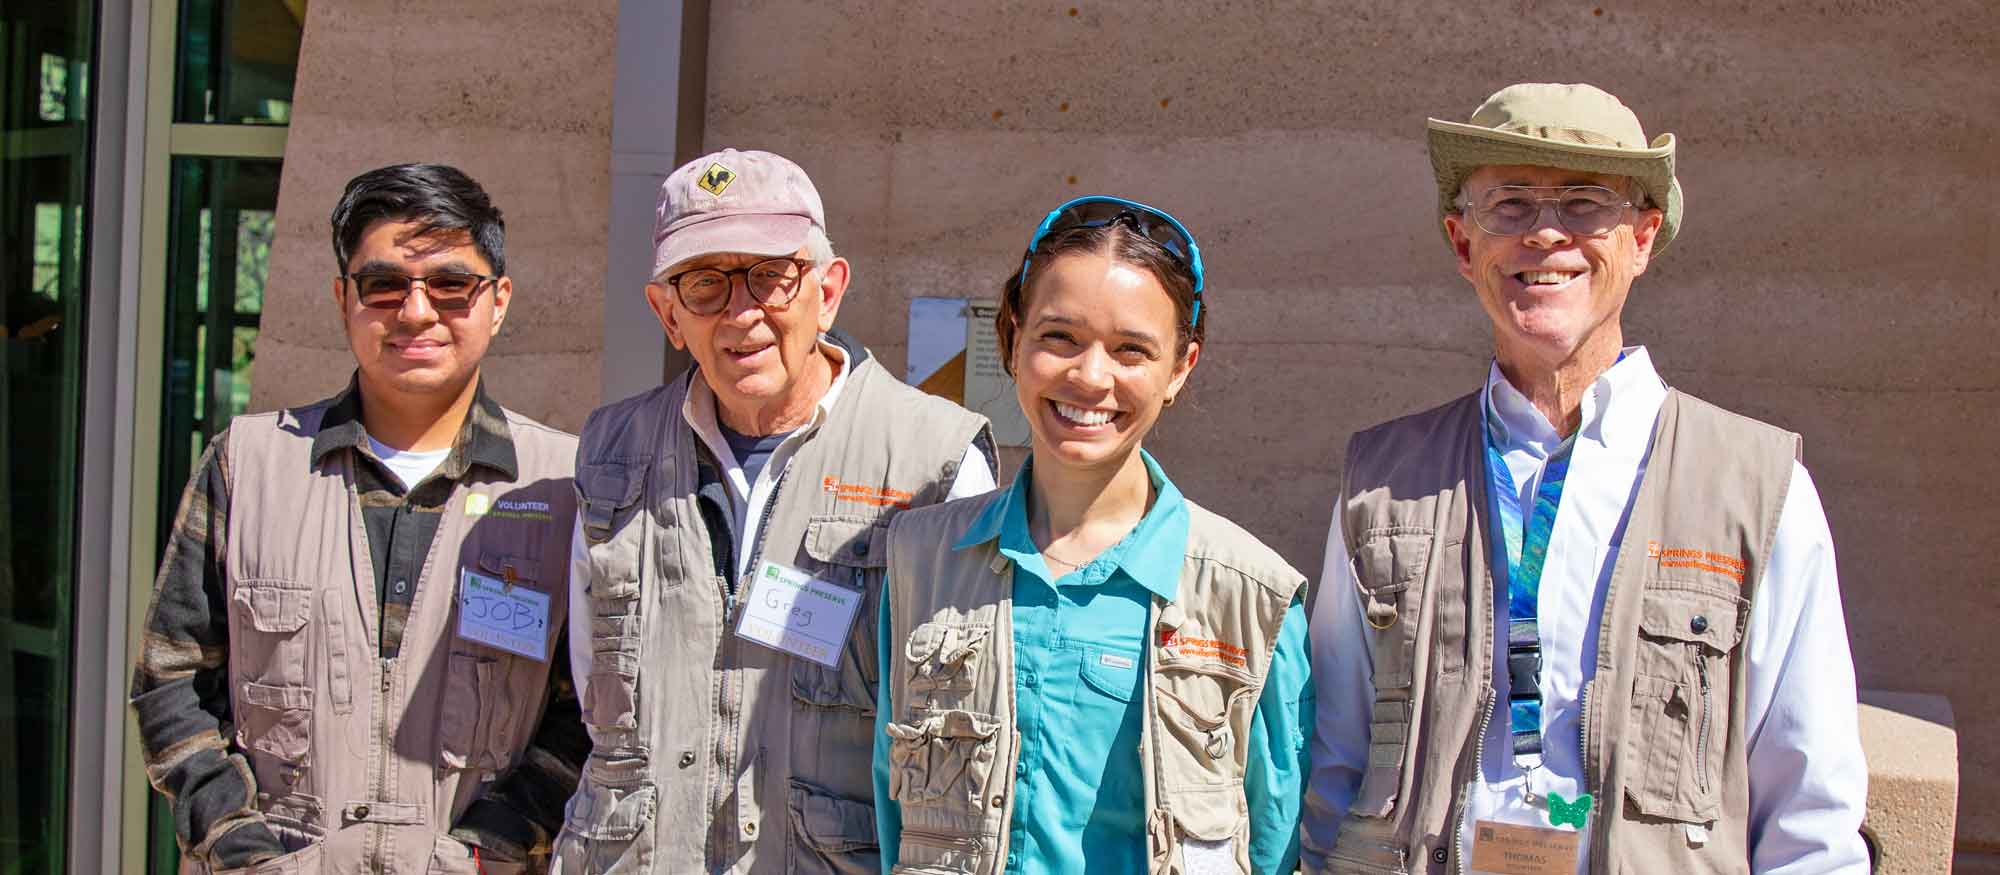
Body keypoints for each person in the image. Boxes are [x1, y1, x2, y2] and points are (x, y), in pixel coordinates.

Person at [1301, 83, 1869, 873]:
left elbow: (1811, 810)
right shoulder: (1380, 484)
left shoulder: (1758, 489)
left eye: (1583, 202)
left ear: (1641, 238)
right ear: (1464, 245)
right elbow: (1333, 766)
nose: (1544, 233)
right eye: (1510, 204)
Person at [131, 164, 584, 874]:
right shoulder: (247, 466)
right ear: (344, 300)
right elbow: (172, 678)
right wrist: (238, 848)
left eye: (450, 284)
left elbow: (591, 708)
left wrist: (489, 850)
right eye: (384, 285)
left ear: (497, 302)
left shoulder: (563, 488)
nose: (415, 311)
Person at [553, 148, 995, 874]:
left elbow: (966, 743)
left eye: (770, 276)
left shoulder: (934, 463)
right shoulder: (611, 454)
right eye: (705, 283)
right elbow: (594, 696)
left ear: (828, 290)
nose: (741, 312)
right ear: (668, 313)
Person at [873, 196, 1315, 875]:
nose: (1090, 375)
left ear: (1181, 367)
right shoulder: (920, 561)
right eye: (1060, 337)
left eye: (1132, 349)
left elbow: (1275, 839)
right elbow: (890, 808)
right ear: (1013, 338)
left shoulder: (1251, 597)